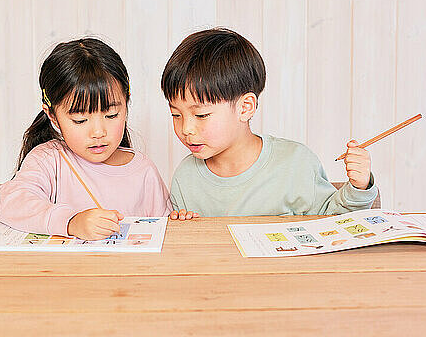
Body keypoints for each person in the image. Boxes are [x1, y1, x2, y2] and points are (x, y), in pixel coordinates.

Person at [161, 28, 377, 220]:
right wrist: (183, 228)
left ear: (245, 107)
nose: (186, 129)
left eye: (201, 115)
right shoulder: (185, 177)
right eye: (176, 115)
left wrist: (359, 187)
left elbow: (335, 224)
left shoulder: (296, 163)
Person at [0, 38, 171, 240]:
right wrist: (71, 222)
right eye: (80, 120)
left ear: (126, 103)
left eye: (111, 115)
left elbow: (165, 235)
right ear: (52, 115)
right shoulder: (48, 160)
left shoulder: (144, 171)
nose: (98, 132)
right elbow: (12, 202)